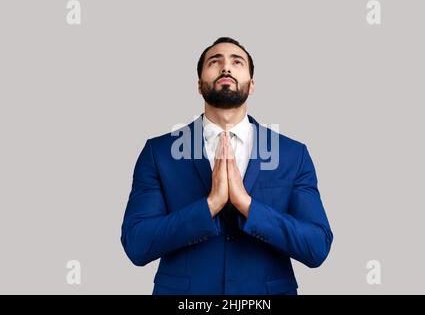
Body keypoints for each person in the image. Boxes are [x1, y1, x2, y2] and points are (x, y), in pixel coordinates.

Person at [121, 37, 333, 295]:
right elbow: (137, 243)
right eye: (215, 61)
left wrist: (247, 205)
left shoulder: (292, 154)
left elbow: (316, 246)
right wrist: (209, 205)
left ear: (252, 85)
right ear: (199, 85)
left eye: (237, 61)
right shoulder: (159, 153)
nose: (226, 67)